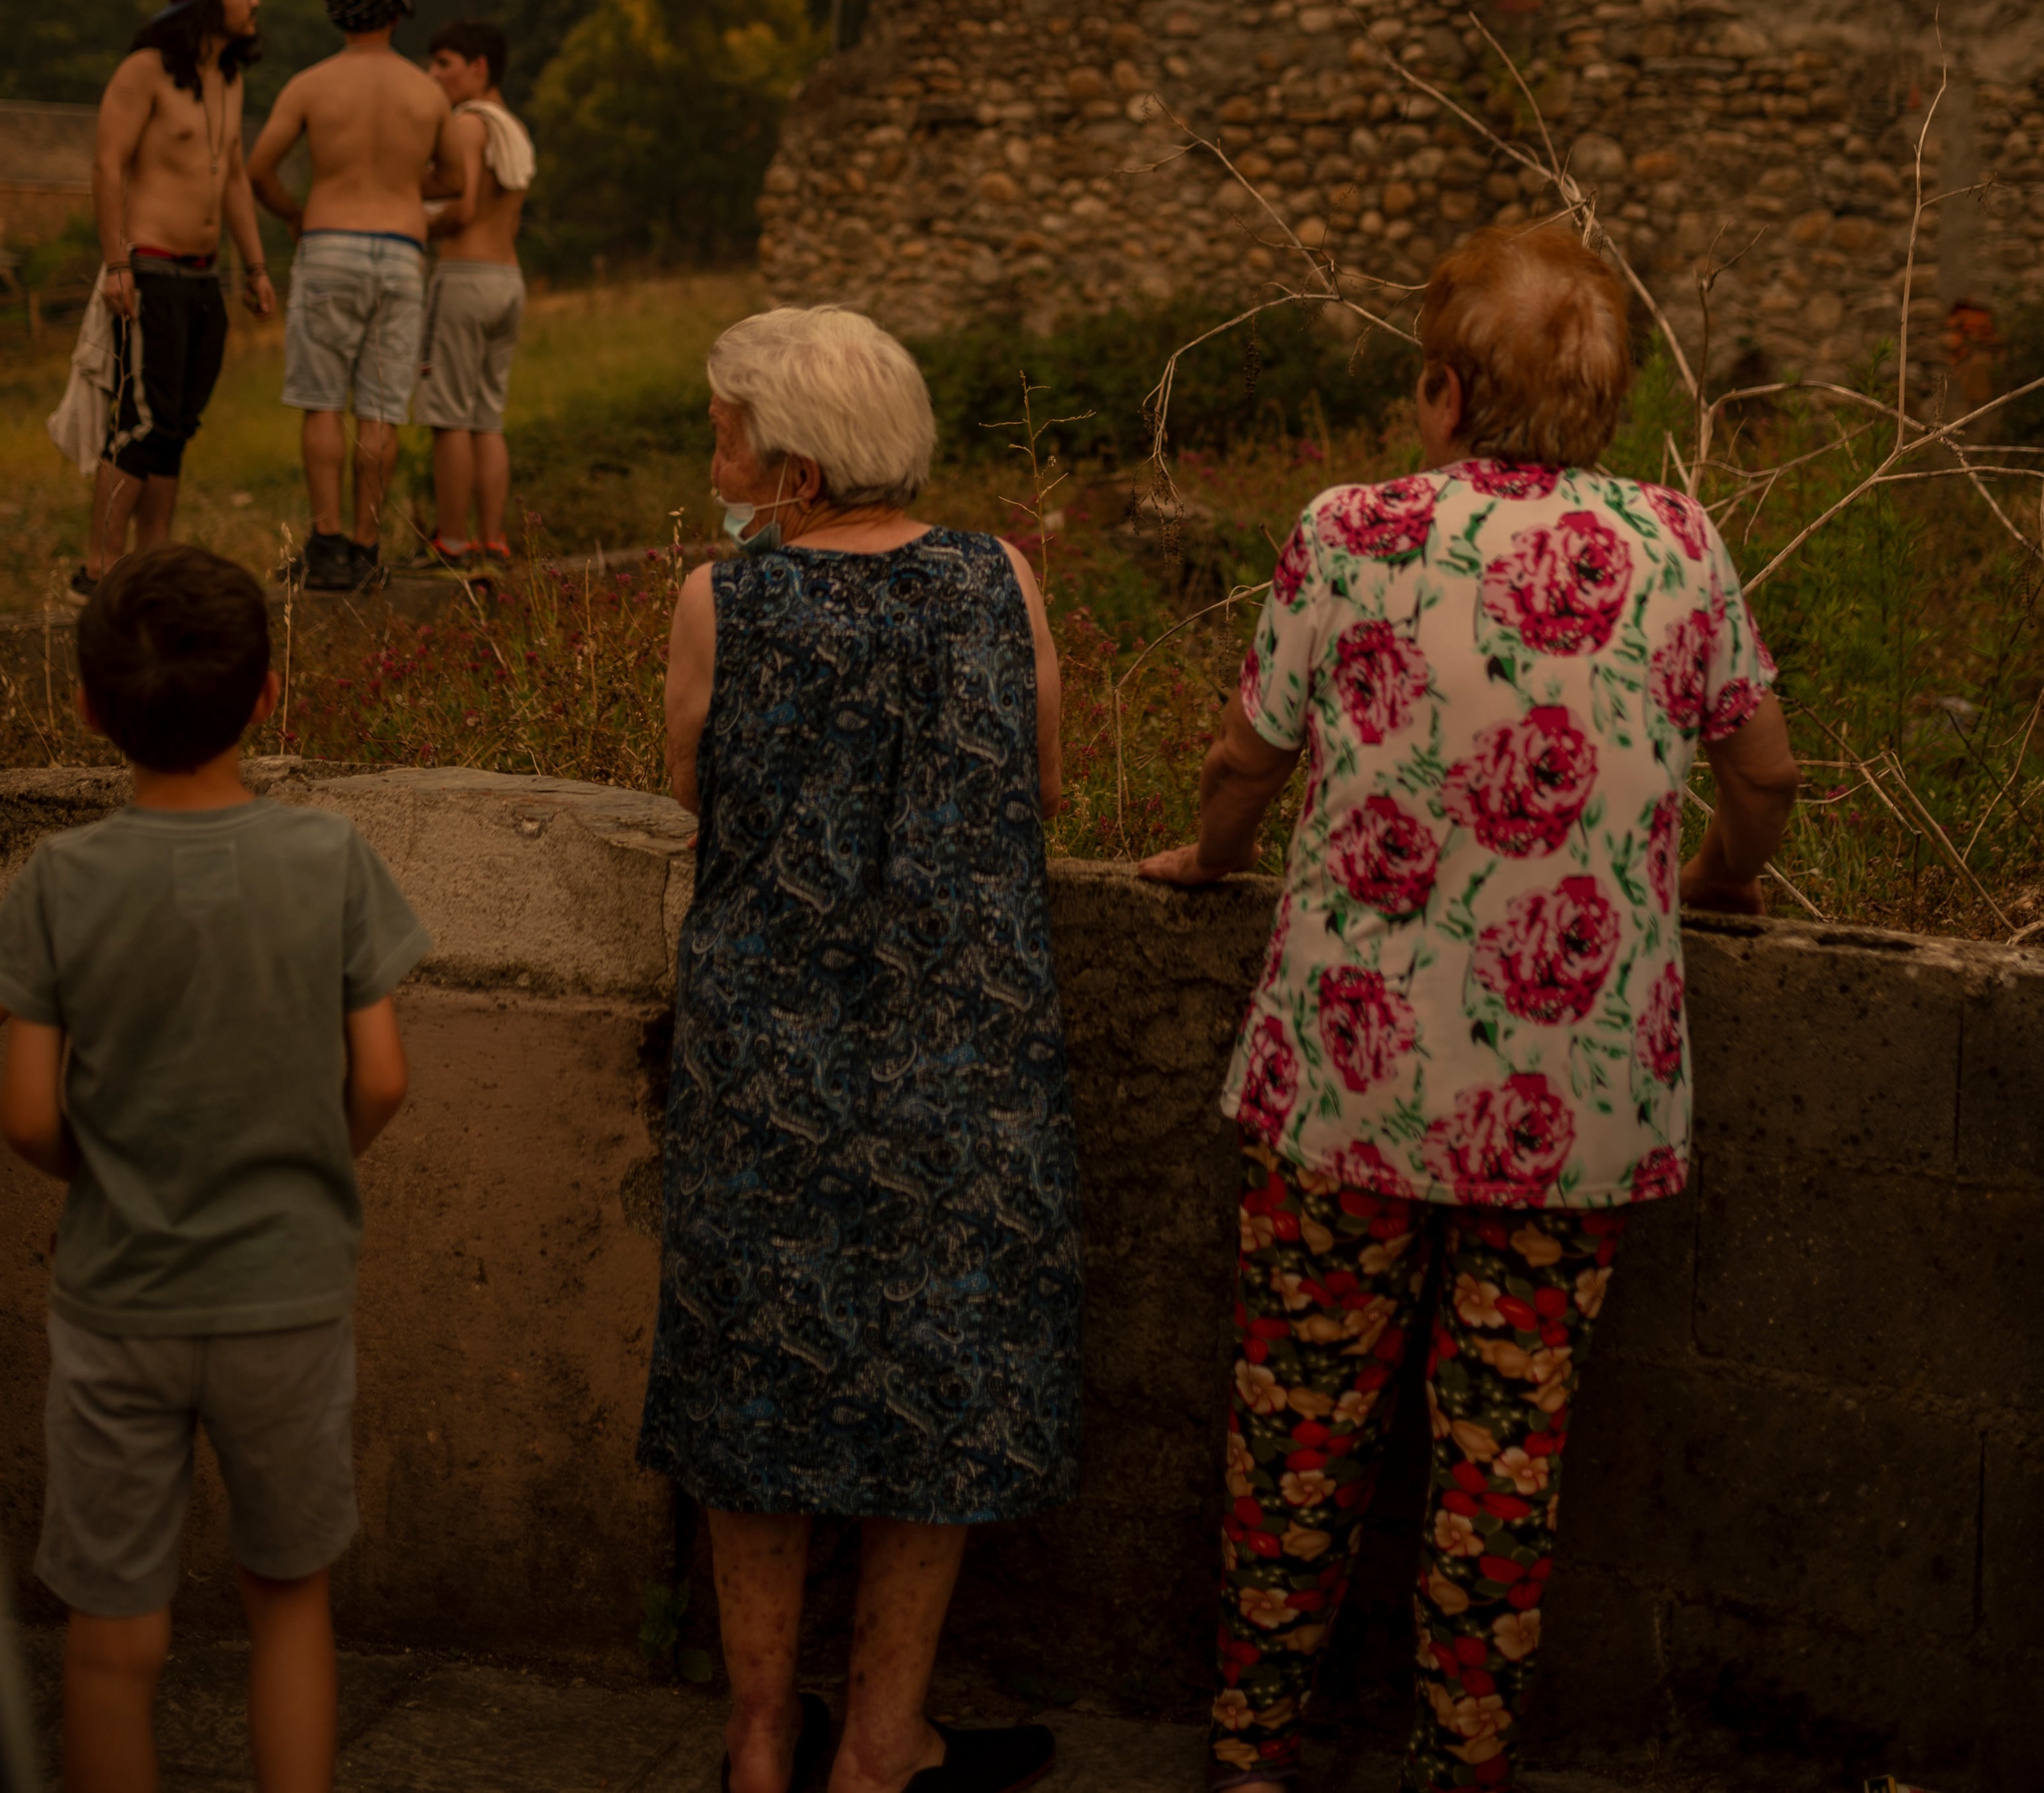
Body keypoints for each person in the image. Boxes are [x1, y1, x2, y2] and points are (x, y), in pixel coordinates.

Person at [1140, 224, 1797, 1793]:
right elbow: (1764, 772)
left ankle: (1247, 1758)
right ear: (1607, 402)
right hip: (1571, 1106)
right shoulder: (1676, 540)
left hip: (1348, 1083)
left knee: (1297, 1433)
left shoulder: (1350, 528)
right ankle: (1461, 1763)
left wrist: (1207, 849)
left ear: (1437, 391)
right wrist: (1710, 876)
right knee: (1502, 1460)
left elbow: (1249, 758)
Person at [642, 307, 1080, 1793]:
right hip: (963, 1049)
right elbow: (1043, 787)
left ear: (796, 460)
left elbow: (689, 813)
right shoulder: (997, 580)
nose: (717, 456)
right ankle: (882, 1739)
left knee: (750, 1379)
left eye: (727, 432)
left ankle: (761, 1735)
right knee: (943, 1372)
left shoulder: (722, 601)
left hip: (762, 1049)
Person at [0, 546, 426, 1793]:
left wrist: (106, 1169)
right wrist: (299, 1166)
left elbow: (23, 1114)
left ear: (86, 708)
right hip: (285, 1294)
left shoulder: (61, 881)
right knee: (288, 1602)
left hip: (118, 1302)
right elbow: (382, 1078)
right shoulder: (329, 860)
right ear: (267, 696)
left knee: (113, 1636)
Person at [247, 0, 480, 591]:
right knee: (380, 410)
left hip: (329, 244)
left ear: (338, 11)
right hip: (401, 252)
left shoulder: (311, 84)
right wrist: (404, 180)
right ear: (394, 12)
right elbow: (454, 180)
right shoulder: (425, 93)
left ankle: (326, 547)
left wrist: (294, 213)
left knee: (322, 402)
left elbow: (258, 168)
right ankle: (367, 547)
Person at [68, 0, 276, 594]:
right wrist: (116, 263)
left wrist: (257, 266)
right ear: (209, 4)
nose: (256, 2)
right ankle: (100, 570)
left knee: (177, 425)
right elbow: (108, 165)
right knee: (141, 422)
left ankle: (152, 564)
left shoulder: (229, 79)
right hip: (149, 269)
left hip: (203, 277)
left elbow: (235, 175)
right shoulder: (144, 72)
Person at [413, 19, 535, 569]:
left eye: (444, 63)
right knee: (488, 417)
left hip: (464, 277)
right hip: (509, 281)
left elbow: (460, 209)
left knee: (449, 416)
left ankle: (453, 541)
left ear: (479, 67)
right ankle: (493, 539)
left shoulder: (466, 125)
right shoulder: (514, 128)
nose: (432, 74)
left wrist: (417, 225)